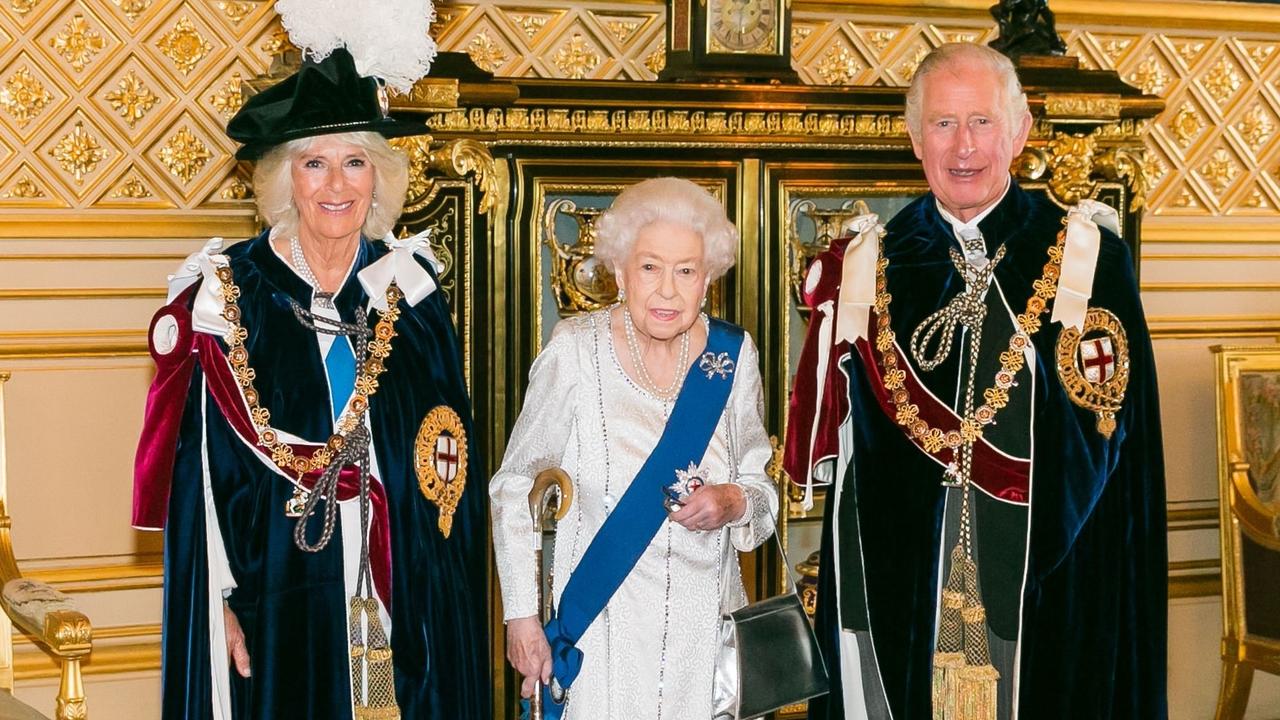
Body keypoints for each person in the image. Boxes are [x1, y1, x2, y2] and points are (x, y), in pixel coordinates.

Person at [785, 42, 1166, 719]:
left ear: (1019, 132)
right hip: (902, 599)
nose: (964, 146)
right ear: (912, 136)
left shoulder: (1085, 260)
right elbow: (850, 477)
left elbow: (1110, 441)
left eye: (982, 122)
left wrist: (1008, 560)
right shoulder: (867, 270)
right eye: (942, 123)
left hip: (1052, 588)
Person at [131, 46, 489, 719]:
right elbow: (197, 483)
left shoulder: (408, 292)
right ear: (282, 179)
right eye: (313, 163)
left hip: (392, 602)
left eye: (354, 162)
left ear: (378, 176)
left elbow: (451, 478)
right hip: (273, 602)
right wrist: (216, 608)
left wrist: (436, 604)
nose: (336, 185)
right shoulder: (227, 297)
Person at [490, 177, 778, 720]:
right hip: (603, 637)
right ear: (620, 271)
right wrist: (522, 617)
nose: (668, 290)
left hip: (707, 645)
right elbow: (514, 486)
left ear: (708, 278)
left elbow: (762, 491)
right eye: (650, 267)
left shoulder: (733, 357)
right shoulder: (576, 350)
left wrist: (733, 501)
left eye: (686, 271)